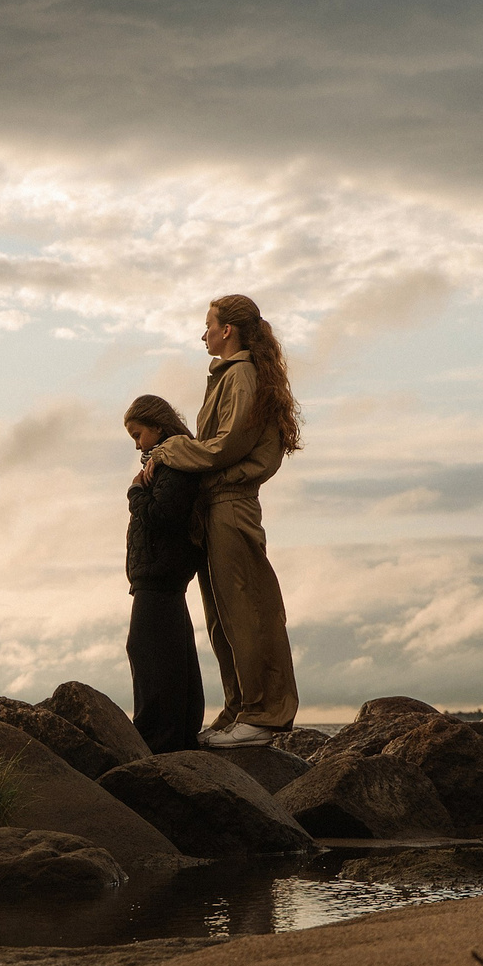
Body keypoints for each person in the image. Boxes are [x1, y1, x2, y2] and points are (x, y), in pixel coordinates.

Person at [140, 293, 302, 748]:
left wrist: (168, 449)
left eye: (208, 324)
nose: (204, 333)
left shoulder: (242, 375)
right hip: (215, 507)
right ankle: (238, 709)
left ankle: (262, 715)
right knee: (222, 618)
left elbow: (227, 446)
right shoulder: (229, 377)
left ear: (226, 329)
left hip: (231, 504)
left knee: (247, 611)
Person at [122, 394, 207, 754]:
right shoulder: (167, 459)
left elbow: (164, 514)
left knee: (148, 651)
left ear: (157, 427)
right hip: (160, 574)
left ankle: (160, 736)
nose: (137, 444)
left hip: (160, 573)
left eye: (138, 434)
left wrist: (135, 492)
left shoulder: (172, 461)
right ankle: (178, 733)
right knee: (170, 652)